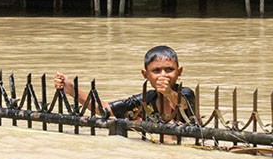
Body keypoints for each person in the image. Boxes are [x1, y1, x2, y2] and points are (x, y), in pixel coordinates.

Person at [53, 46, 196, 123]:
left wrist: (169, 93)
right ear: (145, 75)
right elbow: (104, 110)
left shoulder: (185, 93)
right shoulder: (145, 100)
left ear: (179, 72)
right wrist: (71, 89)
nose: (163, 75)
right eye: (156, 71)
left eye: (169, 70)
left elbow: (182, 104)